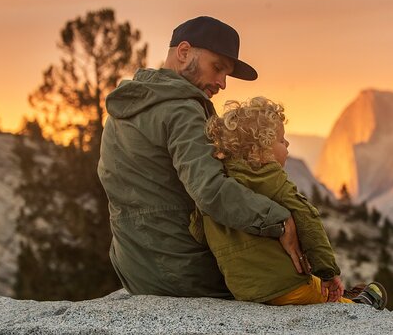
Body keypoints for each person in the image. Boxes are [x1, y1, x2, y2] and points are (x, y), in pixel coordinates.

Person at [97, 16, 304, 298]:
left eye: (226, 74)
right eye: (217, 68)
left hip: (133, 268)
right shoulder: (181, 110)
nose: (222, 83)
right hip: (183, 270)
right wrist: (278, 220)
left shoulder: (126, 106)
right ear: (183, 53)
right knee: (286, 274)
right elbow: (209, 190)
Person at [190, 97, 387, 308]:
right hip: (286, 287)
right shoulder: (271, 179)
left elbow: (197, 231)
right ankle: (360, 304)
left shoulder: (217, 186)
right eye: (281, 140)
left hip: (244, 291)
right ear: (261, 151)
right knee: (327, 299)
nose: (287, 144)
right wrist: (329, 273)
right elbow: (308, 220)